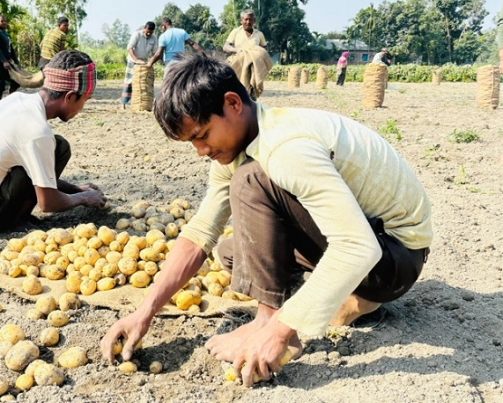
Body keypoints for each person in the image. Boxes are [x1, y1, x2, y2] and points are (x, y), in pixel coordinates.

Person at [101, 54, 432, 387]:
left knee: (250, 182)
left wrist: (277, 330)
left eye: (202, 135)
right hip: (370, 246)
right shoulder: (246, 140)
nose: (201, 151)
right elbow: (200, 233)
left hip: (393, 261)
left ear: (232, 103)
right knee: (234, 252)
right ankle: (339, 297)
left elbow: (359, 247)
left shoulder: (285, 148)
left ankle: (272, 320)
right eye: (192, 143)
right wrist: (144, 312)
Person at [0, 50, 107, 233]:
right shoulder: (37, 132)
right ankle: (14, 222)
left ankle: (16, 214)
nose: (82, 108)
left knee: (57, 145)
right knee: (52, 148)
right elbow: (48, 203)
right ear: (69, 96)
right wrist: (84, 198)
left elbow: (36, 170)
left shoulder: (16, 99)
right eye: (84, 100)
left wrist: (74, 189)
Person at [223, 10, 272, 99]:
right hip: (239, 61)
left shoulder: (259, 34)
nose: (248, 22)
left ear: (254, 21)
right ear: (241, 20)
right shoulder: (236, 32)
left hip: (254, 64)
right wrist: (236, 50)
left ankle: (252, 97)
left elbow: (264, 48)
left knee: (252, 88)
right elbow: (226, 46)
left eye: (250, 19)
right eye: (246, 19)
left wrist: (258, 52)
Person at [122, 21, 158, 109]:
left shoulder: (154, 38)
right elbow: (129, 48)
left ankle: (144, 105)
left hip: (144, 63)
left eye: (151, 32)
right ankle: (123, 104)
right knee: (129, 82)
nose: (149, 33)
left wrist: (151, 62)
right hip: (132, 61)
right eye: (148, 31)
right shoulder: (137, 34)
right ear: (144, 29)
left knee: (145, 84)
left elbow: (155, 53)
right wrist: (136, 60)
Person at [0, 14, 21, 102]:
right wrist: (4, 61)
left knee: (17, 81)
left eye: (5, 21)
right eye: (2, 21)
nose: (4, 23)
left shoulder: (6, 34)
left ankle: (9, 100)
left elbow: (11, 49)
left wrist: (17, 62)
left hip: (7, 62)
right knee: (0, 85)